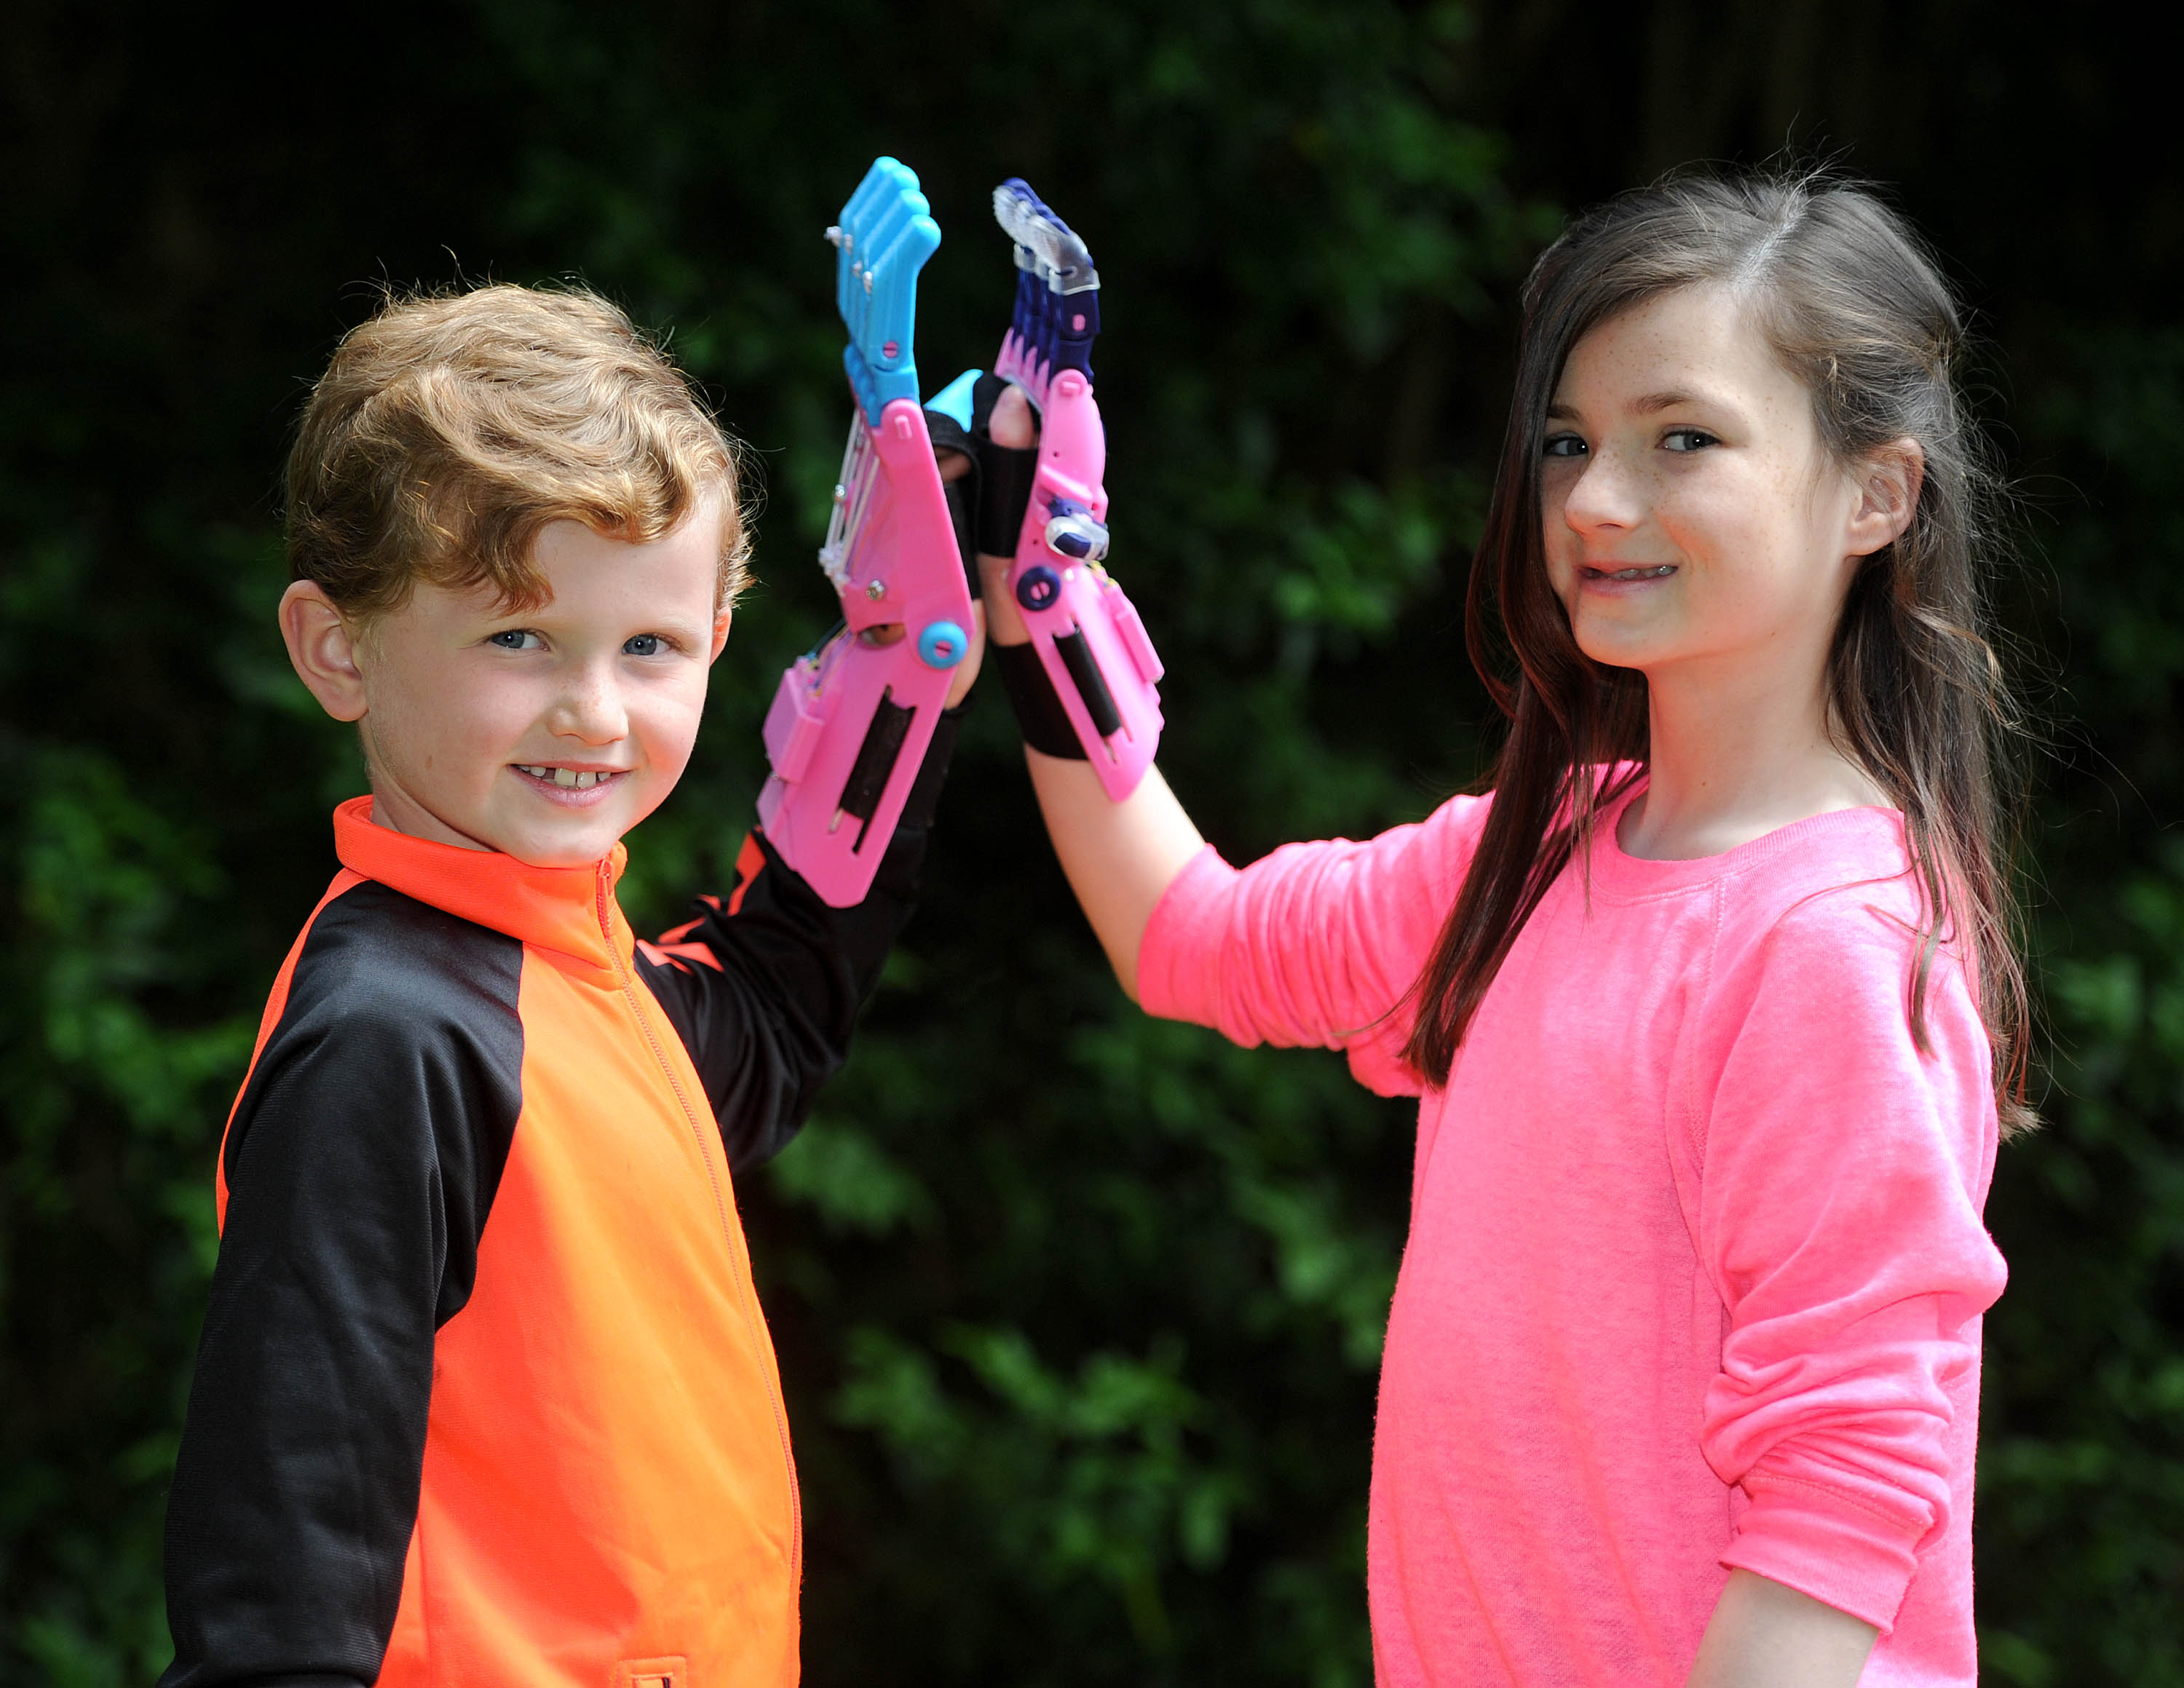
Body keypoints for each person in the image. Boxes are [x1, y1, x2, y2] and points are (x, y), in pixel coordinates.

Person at [983, 172, 2023, 1686]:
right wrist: (1039, 605)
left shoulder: (1829, 943)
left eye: (1683, 438)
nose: (1594, 500)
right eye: (1567, 441)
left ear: (1878, 494)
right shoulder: (1527, 858)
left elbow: (1840, 1499)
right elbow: (1189, 937)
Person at [158, 283, 983, 1687]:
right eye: (518, 638)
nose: (593, 711)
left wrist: (905, 671)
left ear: (717, 637)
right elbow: (279, 1604)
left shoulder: (580, 977)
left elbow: (771, 1014)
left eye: (648, 646)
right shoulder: (388, 1039)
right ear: (337, 649)